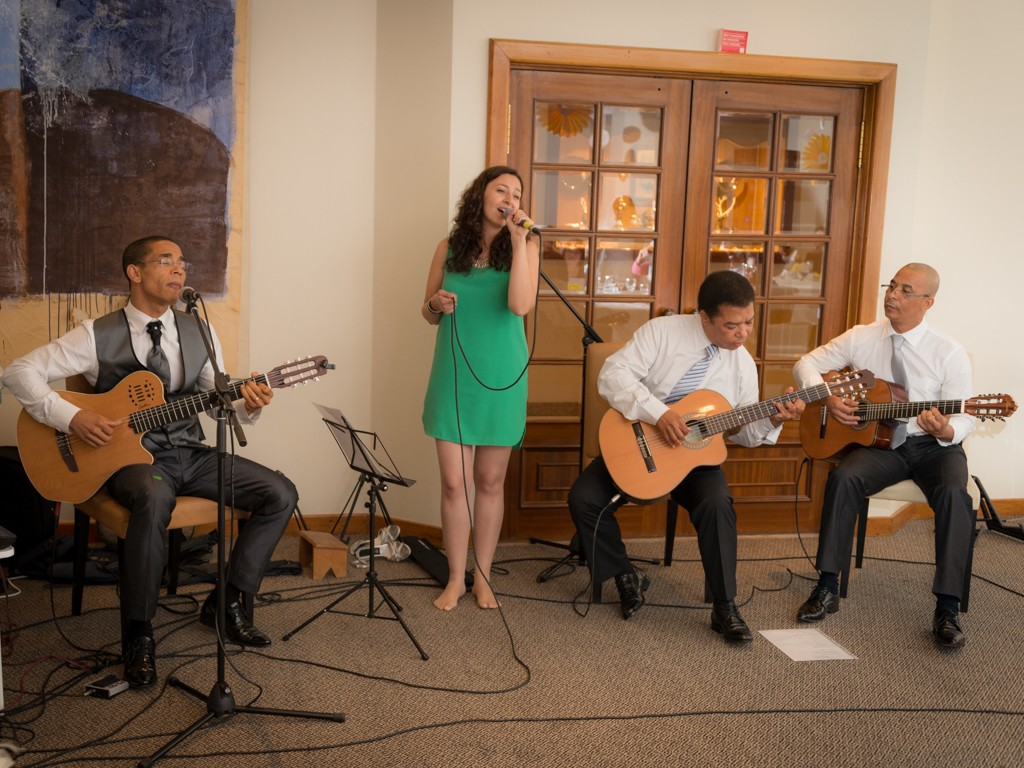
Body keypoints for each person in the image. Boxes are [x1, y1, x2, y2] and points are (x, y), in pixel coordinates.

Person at [2, 236, 296, 687]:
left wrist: (248, 402)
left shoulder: (199, 330)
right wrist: (73, 416)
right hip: (131, 462)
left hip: (189, 452)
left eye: (182, 263)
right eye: (166, 261)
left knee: (280, 492)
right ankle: (138, 635)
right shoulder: (97, 333)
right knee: (154, 497)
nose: (179, 270)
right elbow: (17, 372)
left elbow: (216, 402)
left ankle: (227, 600)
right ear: (134, 273)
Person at [568, 270, 804, 642]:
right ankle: (625, 573)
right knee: (583, 498)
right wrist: (659, 414)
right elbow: (612, 376)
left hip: (696, 461)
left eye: (749, 322)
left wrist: (773, 417)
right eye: (731, 325)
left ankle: (725, 605)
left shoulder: (741, 362)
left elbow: (744, 432)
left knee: (718, 505)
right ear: (705, 318)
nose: (743, 333)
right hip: (641, 443)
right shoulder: (662, 333)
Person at [792, 263, 974, 649]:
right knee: (844, 478)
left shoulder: (949, 351)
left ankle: (947, 606)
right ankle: (826, 586)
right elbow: (804, 364)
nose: (892, 295)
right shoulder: (862, 336)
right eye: (891, 286)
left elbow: (965, 416)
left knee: (955, 496)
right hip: (882, 444)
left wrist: (947, 429)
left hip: (933, 447)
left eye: (905, 290)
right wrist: (828, 397)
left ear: (928, 302)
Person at [421, 166, 539, 611]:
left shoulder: (527, 246)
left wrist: (520, 240)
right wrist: (436, 304)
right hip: (453, 372)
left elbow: (519, 305)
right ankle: (454, 577)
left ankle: (484, 576)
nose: (510, 197)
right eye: (501, 189)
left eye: (517, 193)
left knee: (489, 481)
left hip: (502, 376)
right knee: (455, 484)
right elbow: (428, 310)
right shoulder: (448, 248)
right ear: (481, 195)